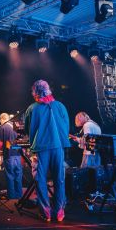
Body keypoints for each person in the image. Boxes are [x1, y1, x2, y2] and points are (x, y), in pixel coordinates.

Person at [25, 80, 70, 222]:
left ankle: (46, 213)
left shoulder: (32, 108)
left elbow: (27, 129)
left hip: (41, 148)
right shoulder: (60, 106)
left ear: (35, 93)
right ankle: (59, 212)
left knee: (40, 180)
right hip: (58, 147)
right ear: (49, 90)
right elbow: (66, 126)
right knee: (59, 179)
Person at [0, 113, 23, 199]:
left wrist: (0, 149)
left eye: (0, 120)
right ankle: (19, 195)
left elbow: (1, 143)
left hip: (9, 155)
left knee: (10, 175)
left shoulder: (3, 127)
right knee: (18, 175)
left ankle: (12, 196)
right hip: (17, 153)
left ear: (2, 119)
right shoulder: (15, 126)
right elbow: (19, 140)